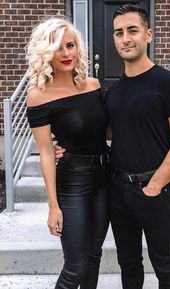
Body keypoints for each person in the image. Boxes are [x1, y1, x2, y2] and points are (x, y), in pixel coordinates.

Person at [55, 4, 170, 289]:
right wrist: (63, 145)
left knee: (166, 266)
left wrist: (154, 185)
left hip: (155, 189)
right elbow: (99, 132)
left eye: (132, 30)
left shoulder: (169, 83)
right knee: (128, 264)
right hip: (118, 191)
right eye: (119, 32)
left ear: (148, 34)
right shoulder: (114, 91)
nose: (125, 38)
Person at [26, 17, 109, 289]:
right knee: (75, 267)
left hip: (104, 177)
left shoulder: (94, 85)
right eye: (58, 48)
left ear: (78, 48)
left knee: (94, 257)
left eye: (70, 46)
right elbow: (46, 152)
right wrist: (53, 206)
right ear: (46, 53)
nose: (66, 54)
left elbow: (106, 131)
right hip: (73, 182)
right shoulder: (38, 96)